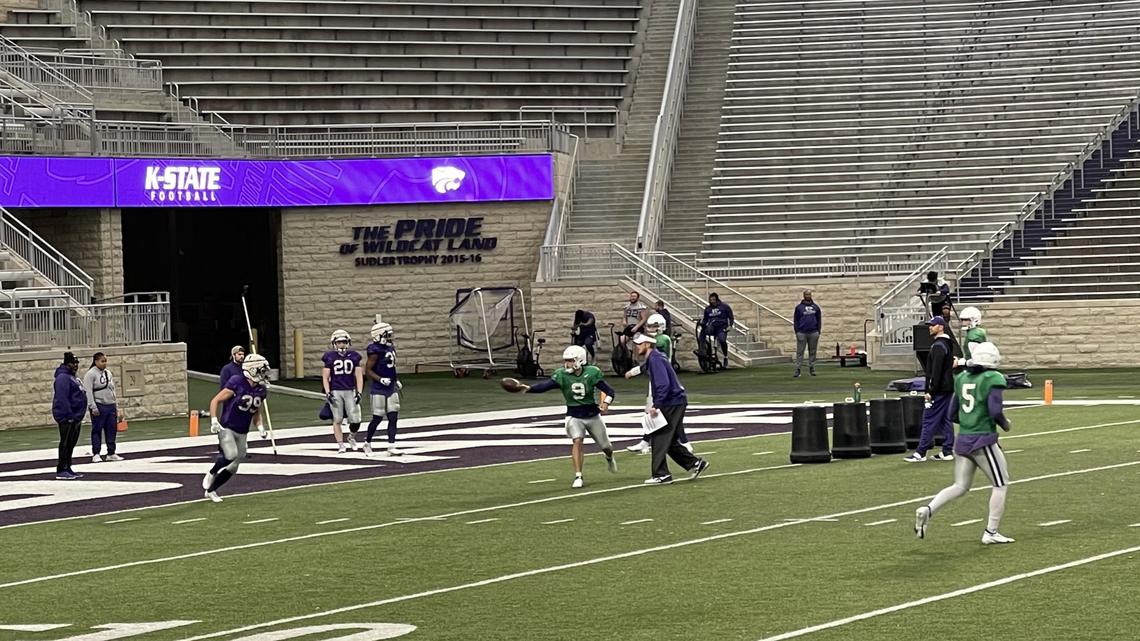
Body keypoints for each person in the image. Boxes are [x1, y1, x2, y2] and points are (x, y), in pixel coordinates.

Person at [914, 342, 1014, 545]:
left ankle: (928, 509)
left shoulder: (962, 378)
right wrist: (1004, 424)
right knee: (1001, 484)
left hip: (963, 439)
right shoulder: (993, 378)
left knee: (959, 486)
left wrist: (970, 420)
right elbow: (995, 411)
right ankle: (991, 531)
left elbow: (953, 414)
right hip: (982, 439)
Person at [516, 345, 618, 488]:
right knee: (577, 441)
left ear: (580, 360)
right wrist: (527, 388)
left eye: (571, 360)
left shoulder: (592, 372)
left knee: (606, 446)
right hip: (574, 416)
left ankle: (609, 457)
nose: (567, 364)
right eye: (567, 361)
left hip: (592, 415)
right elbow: (545, 386)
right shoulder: (561, 375)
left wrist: (606, 403)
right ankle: (578, 476)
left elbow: (610, 391)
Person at [632, 333, 709, 485]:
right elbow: (645, 368)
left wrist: (657, 405)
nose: (636, 347)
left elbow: (663, 384)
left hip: (671, 402)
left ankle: (662, 474)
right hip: (675, 401)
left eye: (639, 344)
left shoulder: (655, 359)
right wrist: (632, 372)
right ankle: (695, 463)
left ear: (647, 344)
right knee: (670, 439)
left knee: (659, 436)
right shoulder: (655, 357)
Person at [203, 353, 270, 502]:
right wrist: (214, 420)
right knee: (231, 455)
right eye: (262, 370)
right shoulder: (237, 382)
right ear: (252, 370)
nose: (264, 373)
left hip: (243, 431)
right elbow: (215, 400)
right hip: (227, 426)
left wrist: (260, 427)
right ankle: (212, 472)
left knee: (233, 467)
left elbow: (256, 411)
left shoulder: (261, 390)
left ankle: (211, 491)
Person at [625, 314, 692, 455]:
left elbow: (652, 356)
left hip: (661, 380)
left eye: (654, 326)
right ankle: (647, 441)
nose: (650, 329)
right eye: (649, 326)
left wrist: (635, 371)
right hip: (657, 377)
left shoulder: (661, 340)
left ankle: (681, 444)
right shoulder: (653, 342)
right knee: (659, 415)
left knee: (658, 413)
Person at [904, 316, 955, 462]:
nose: (930, 327)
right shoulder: (946, 344)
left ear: (941, 327)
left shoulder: (939, 346)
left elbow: (935, 371)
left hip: (939, 389)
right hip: (946, 387)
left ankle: (920, 452)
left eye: (933, 325)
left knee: (929, 419)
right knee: (945, 419)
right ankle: (947, 450)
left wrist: (930, 391)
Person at [322, 329, 365, 454]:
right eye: (339, 342)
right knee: (337, 419)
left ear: (348, 342)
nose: (342, 344)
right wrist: (328, 392)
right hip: (336, 390)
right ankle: (341, 444)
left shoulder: (354, 356)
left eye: (344, 342)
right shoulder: (329, 357)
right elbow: (325, 376)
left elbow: (359, 375)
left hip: (350, 390)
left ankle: (351, 437)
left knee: (356, 419)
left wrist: (359, 392)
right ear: (334, 343)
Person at [365, 321, 403, 456]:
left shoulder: (390, 348)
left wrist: (396, 379)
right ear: (378, 335)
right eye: (387, 335)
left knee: (393, 416)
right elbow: (368, 370)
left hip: (391, 386)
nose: (390, 337)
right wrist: (380, 379)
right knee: (378, 416)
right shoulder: (374, 350)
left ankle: (391, 445)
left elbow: (391, 367)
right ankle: (367, 443)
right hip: (378, 388)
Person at [52, 352, 86, 480]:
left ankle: (68, 466)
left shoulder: (72, 377)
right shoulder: (63, 378)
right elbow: (62, 398)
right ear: (67, 364)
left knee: (71, 443)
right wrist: (69, 414)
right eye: (73, 363)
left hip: (76, 416)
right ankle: (61, 468)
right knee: (65, 442)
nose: (75, 365)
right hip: (67, 416)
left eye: (77, 363)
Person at [84, 352, 122, 463]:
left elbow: (113, 391)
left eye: (105, 361)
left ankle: (111, 452)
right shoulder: (90, 374)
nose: (104, 363)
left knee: (111, 430)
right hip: (99, 405)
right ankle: (96, 453)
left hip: (110, 405)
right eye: (102, 361)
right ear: (96, 361)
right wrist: (92, 406)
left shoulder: (108, 373)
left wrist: (116, 407)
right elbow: (88, 391)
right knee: (97, 429)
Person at [699, 293, 734, 370]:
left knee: (722, 340)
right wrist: (702, 324)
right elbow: (705, 319)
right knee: (703, 331)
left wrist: (730, 326)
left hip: (721, 327)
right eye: (711, 300)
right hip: (712, 327)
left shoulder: (724, 307)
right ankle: (702, 349)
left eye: (713, 300)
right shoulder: (708, 309)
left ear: (717, 299)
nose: (712, 301)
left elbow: (731, 317)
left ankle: (725, 356)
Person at [793, 289, 822, 378]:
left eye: (809, 294)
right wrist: (797, 331)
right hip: (802, 332)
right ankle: (798, 369)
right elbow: (796, 320)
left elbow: (819, 319)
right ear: (803, 295)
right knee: (800, 352)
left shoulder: (816, 307)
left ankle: (812, 368)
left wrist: (818, 331)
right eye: (806, 294)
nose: (808, 296)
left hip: (813, 332)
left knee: (812, 351)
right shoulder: (799, 308)